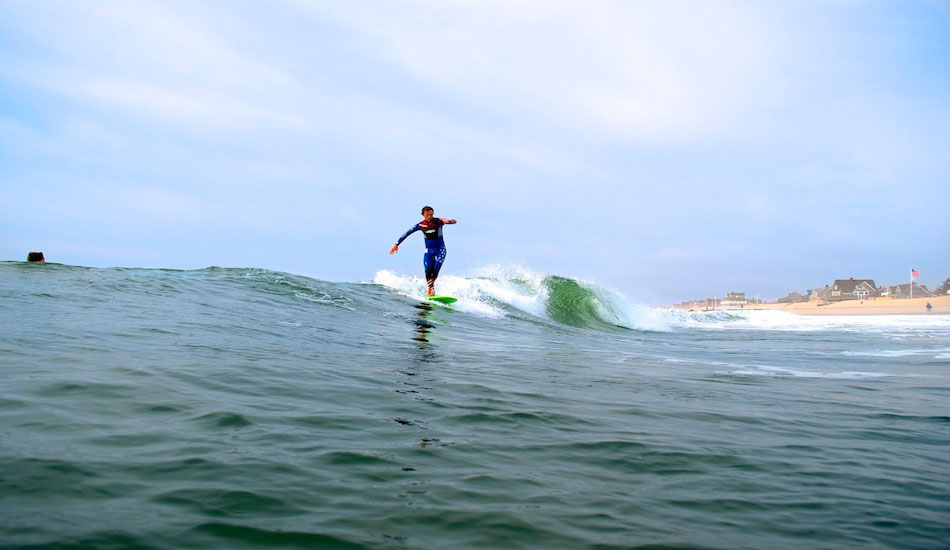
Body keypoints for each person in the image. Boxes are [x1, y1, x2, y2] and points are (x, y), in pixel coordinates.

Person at [390, 206, 457, 296]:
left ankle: (431, 289)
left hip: (440, 250)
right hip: (428, 251)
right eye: (427, 215)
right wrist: (396, 244)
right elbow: (407, 233)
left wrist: (449, 221)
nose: (429, 216)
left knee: (435, 271)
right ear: (423, 215)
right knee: (428, 270)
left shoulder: (438, 221)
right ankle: (431, 289)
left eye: (431, 214)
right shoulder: (420, 225)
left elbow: (453, 221)